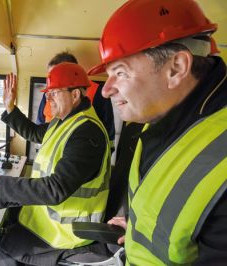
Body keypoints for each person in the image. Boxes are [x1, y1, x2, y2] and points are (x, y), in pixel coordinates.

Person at [87, 0, 227, 264]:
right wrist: (135, 225)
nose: (105, 90)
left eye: (120, 72)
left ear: (175, 68)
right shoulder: (159, 114)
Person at [0, 63, 111, 266]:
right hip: (44, 217)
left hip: (66, 232)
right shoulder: (63, 121)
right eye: (48, 94)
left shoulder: (87, 133)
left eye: (54, 93)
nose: (48, 100)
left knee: (5, 248)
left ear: (74, 95)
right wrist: (10, 107)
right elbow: (34, 133)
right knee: (4, 226)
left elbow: (55, 189)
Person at [36, 52, 115, 149]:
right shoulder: (47, 95)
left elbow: (108, 134)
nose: (52, 81)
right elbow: (39, 128)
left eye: (57, 75)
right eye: (50, 75)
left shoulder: (99, 93)